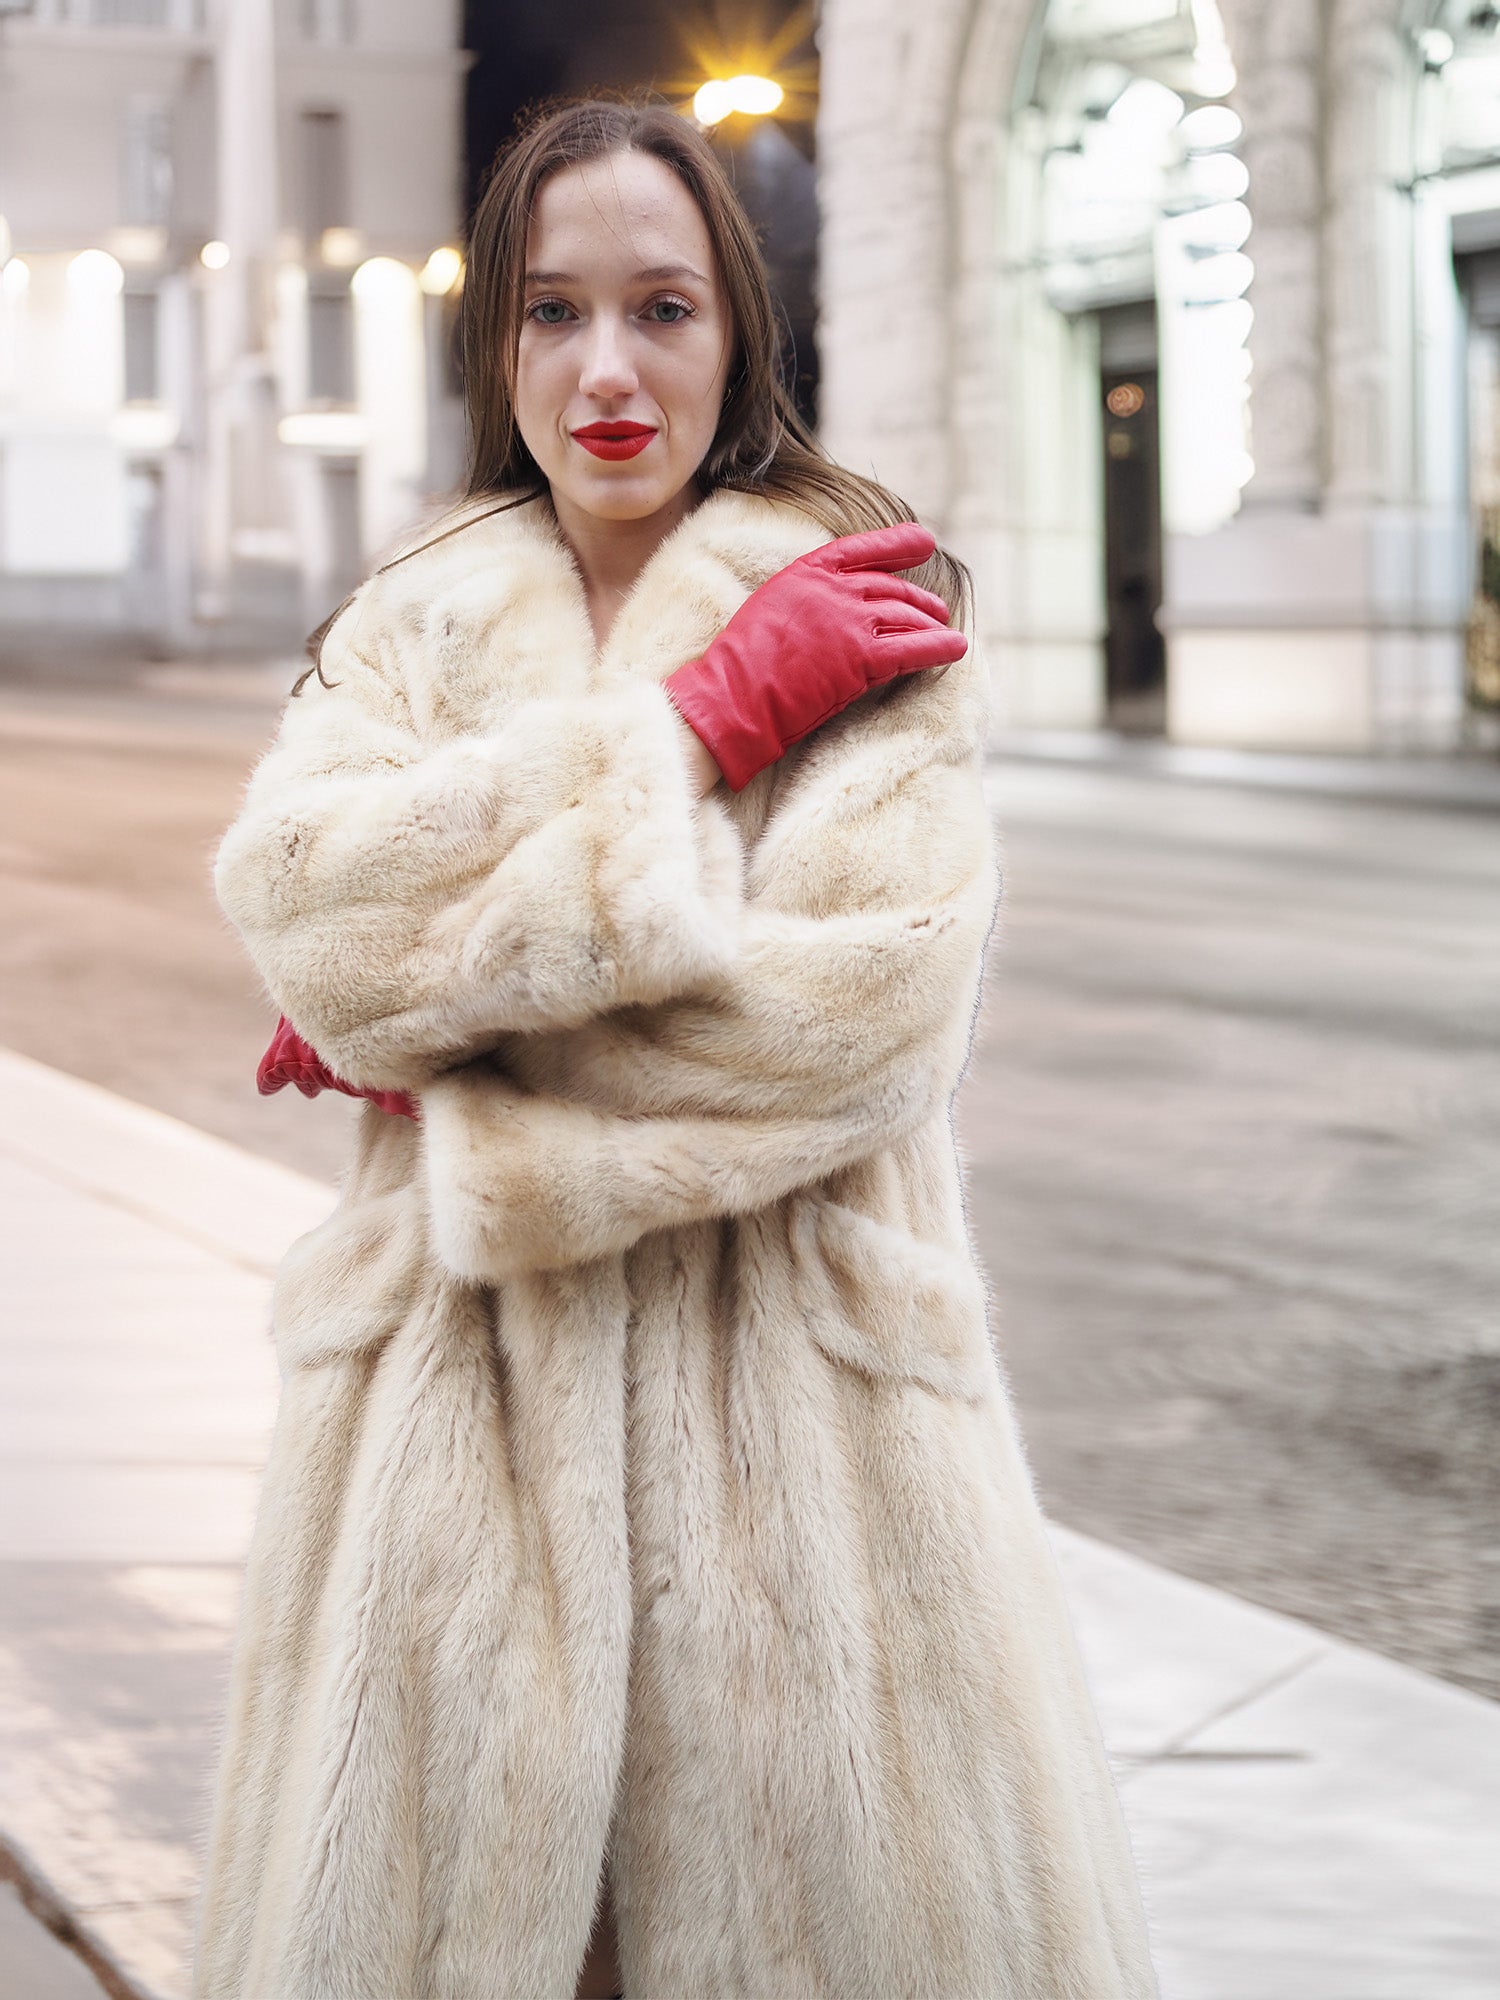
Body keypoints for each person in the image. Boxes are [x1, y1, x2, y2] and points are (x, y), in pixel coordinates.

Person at [192, 97, 1158, 2000]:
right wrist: (696, 732)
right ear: (499, 344)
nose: (608, 369)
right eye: (552, 312)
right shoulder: (407, 628)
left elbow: (850, 1026)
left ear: (744, 335)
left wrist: (454, 1066)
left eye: (665, 308)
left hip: (807, 1487)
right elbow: (310, 914)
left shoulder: (865, 610)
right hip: (443, 1475)